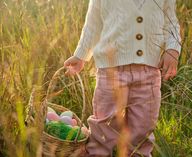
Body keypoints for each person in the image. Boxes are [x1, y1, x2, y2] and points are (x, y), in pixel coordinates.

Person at [64, 0, 181, 156]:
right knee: (104, 124)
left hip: (149, 73)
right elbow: (93, 24)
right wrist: (81, 55)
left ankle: (138, 154)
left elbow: (171, 22)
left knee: (143, 125)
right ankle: (98, 153)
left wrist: (172, 49)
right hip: (111, 71)